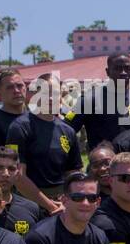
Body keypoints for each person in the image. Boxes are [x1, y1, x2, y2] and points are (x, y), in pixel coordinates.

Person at [11, 73, 84, 212]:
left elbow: (74, 173)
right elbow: (19, 176)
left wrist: (66, 201)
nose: (51, 98)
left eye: (55, 93)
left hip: (62, 204)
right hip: (29, 203)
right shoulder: (20, 127)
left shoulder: (67, 131)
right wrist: (50, 206)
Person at [64, 52, 130, 149]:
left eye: (127, 68)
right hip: (102, 161)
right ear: (108, 72)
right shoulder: (88, 99)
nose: (123, 72)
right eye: (117, 68)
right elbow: (65, 129)